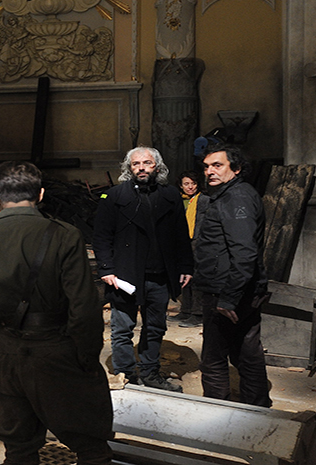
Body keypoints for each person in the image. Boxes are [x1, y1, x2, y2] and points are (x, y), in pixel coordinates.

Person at [0, 161, 113, 465]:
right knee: (90, 449)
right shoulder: (64, 235)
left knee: (18, 451)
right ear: (41, 194)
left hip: (3, 353)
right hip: (57, 351)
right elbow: (84, 308)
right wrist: (85, 357)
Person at [92, 147, 193, 391]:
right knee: (122, 328)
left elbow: (181, 235)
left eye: (147, 163)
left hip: (159, 274)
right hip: (124, 275)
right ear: (129, 168)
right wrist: (106, 269)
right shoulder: (115, 196)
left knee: (156, 327)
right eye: (136, 164)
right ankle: (125, 374)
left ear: (157, 166)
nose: (141, 168)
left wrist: (186, 265)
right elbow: (101, 236)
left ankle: (150, 373)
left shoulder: (170, 195)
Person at [194, 144, 272, 407]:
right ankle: (257, 408)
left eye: (217, 165)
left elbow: (244, 253)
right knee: (246, 352)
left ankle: (217, 414)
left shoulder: (235, 198)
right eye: (206, 167)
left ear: (236, 169)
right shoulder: (231, 195)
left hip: (226, 290)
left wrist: (227, 298)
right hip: (237, 287)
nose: (209, 171)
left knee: (214, 357)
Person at [171, 171, 206, 328]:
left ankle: (198, 314)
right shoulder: (180, 200)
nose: (190, 187)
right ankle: (186, 310)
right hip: (183, 241)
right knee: (184, 276)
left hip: (198, 241)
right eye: (186, 184)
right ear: (181, 185)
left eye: (193, 184)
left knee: (197, 276)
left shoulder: (204, 200)